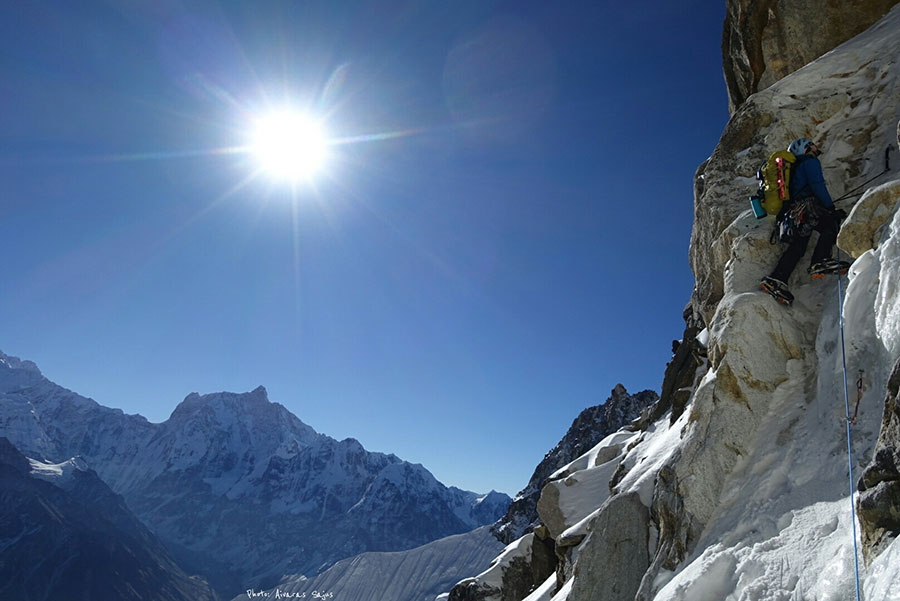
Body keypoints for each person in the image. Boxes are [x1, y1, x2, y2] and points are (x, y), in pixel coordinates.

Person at [760, 138, 848, 304]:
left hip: (793, 213)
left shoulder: (793, 169)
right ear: (806, 149)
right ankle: (820, 261)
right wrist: (830, 208)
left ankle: (776, 279)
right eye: (812, 144)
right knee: (830, 224)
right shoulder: (810, 162)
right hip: (808, 207)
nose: (816, 146)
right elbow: (817, 184)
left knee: (799, 245)